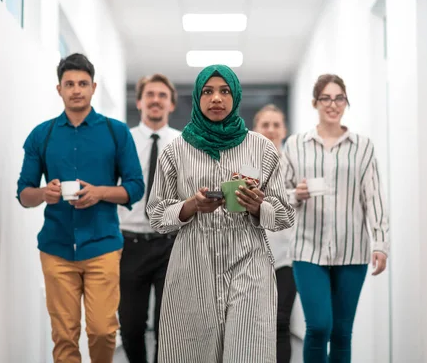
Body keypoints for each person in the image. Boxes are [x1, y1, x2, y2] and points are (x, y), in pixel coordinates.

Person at [146, 65, 295, 362]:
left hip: (249, 261)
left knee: (248, 352)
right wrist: (190, 206)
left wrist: (256, 205)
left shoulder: (262, 149)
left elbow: (284, 215)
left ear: (236, 96)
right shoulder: (175, 151)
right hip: (192, 264)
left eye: (225, 91)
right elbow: (156, 214)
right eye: (208, 91)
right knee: (191, 352)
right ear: (198, 98)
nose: (216, 98)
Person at [16, 53, 144, 363]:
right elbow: (23, 193)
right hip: (56, 248)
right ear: (58, 89)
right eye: (69, 84)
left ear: (93, 87)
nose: (76, 89)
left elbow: (135, 187)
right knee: (64, 336)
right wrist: (44, 193)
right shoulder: (41, 135)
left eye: (83, 83)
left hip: (103, 246)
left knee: (102, 331)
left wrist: (100, 193)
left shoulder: (116, 132)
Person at [283, 74, 389, 363]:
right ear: (315, 103)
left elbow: (374, 196)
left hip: (352, 250)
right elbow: (279, 192)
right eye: (326, 98)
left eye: (339, 98)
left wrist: (380, 243)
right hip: (307, 250)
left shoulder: (363, 147)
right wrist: (297, 194)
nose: (333, 104)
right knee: (318, 327)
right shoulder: (295, 145)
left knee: (342, 332)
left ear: (346, 102)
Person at [117, 74, 181, 363]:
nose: (156, 99)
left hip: (171, 244)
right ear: (140, 101)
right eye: (150, 94)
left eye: (162, 95)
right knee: (130, 326)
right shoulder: (122, 140)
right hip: (128, 243)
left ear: (171, 104)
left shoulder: (183, 143)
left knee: (168, 326)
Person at [253, 104, 296, 363]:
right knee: (252, 325)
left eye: (275, 125)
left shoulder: (294, 165)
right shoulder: (243, 164)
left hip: (286, 257)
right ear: (255, 129)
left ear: (284, 130)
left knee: (281, 321)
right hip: (251, 256)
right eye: (265, 125)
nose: (270, 130)